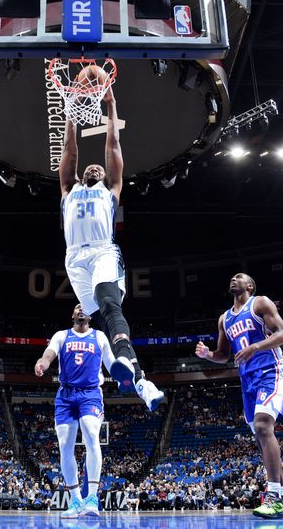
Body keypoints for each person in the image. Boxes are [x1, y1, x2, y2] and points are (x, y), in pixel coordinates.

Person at [59, 84, 163, 410]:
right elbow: (69, 151)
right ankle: (140, 381)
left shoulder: (111, 191)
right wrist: (73, 113)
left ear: (107, 177)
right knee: (95, 324)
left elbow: (113, 143)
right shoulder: (68, 189)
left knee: (108, 303)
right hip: (74, 259)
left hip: (103, 250)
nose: (94, 167)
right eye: (90, 168)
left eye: (100, 168)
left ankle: (125, 359)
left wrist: (111, 104)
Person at [194, 273, 283, 519]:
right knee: (261, 438)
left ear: (249, 285)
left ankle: (272, 496)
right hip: (247, 379)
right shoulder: (224, 318)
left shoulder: (260, 302)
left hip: (270, 369)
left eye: (238, 277)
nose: (233, 279)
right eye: (231, 277)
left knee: (263, 426)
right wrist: (208, 354)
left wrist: (256, 346)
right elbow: (223, 354)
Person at [34, 304, 115, 518]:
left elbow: (112, 365)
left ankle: (92, 498)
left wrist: (127, 372)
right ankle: (76, 500)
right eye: (77, 307)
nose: (81, 309)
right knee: (64, 445)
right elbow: (48, 354)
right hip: (66, 395)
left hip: (90, 394)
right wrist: (42, 363)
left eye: (84, 307)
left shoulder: (99, 337)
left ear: (90, 315)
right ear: (72, 315)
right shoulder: (61, 336)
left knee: (91, 433)